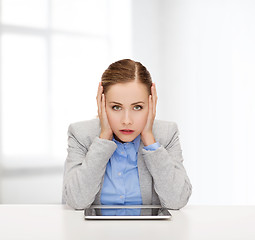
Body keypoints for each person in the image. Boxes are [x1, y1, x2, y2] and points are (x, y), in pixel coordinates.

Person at [62, 59, 192, 210]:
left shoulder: (166, 134)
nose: (127, 121)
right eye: (116, 107)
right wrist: (104, 138)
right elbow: (77, 201)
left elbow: (177, 200)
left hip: (150, 233)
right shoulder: (81, 134)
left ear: (151, 104)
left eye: (137, 107)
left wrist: (150, 140)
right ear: (101, 104)